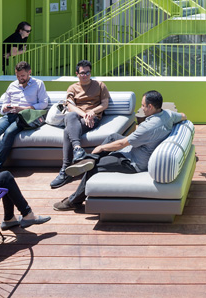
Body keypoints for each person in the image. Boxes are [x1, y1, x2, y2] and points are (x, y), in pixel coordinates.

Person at [53, 90, 186, 211]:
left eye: (143, 105)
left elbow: (122, 144)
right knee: (112, 137)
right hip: (140, 148)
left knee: (94, 168)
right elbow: (183, 116)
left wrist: (101, 147)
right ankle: (88, 159)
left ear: (150, 106)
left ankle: (74, 200)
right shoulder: (168, 114)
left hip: (134, 162)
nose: (141, 108)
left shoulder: (147, 127)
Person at [50, 60, 111, 189]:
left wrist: (91, 113)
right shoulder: (73, 88)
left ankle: (65, 170)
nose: (85, 75)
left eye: (88, 72)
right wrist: (84, 114)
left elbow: (104, 104)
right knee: (70, 115)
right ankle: (78, 149)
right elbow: (70, 106)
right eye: (82, 73)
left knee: (67, 131)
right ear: (77, 74)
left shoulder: (100, 85)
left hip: (93, 118)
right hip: (79, 117)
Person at [0, 61, 49, 176]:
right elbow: (4, 104)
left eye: (22, 76)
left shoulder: (38, 84)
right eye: (17, 76)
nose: (20, 78)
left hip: (26, 116)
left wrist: (23, 108)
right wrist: (5, 108)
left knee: (9, 133)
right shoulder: (12, 85)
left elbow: (43, 103)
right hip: (10, 115)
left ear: (29, 72)